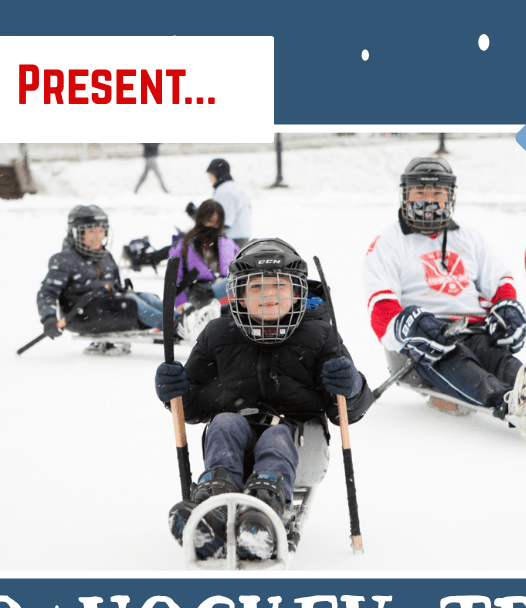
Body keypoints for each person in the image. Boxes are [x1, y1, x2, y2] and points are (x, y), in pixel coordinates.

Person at [154, 238, 372, 560]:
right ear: (238, 294)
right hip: (234, 441)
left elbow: (344, 412)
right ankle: (214, 502)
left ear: (298, 292)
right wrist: (178, 392)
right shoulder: (218, 334)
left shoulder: (321, 334)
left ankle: (265, 509)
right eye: (256, 288)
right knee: (225, 422)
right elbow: (196, 407)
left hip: (299, 443)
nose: (269, 296)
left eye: (280, 287)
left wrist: (351, 387)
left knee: (276, 436)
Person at [362, 157, 526, 424]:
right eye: (420, 191)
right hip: (430, 341)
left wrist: (507, 309)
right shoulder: (387, 243)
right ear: (405, 195)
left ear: (450, 196)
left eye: (437, 192)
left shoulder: (469, 237)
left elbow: (499, 281)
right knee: (459, 362)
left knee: (499, 358)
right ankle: (509, 401)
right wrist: (412, 327)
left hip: (475, 328)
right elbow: (381, 306)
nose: (429, 200)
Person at [37, 205, 164, 353]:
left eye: (101, 230)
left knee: (149, 298)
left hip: (108, 307)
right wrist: (49, 318)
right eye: (91, 231)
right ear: (76, 233)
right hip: (82, 314)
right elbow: (47, 292)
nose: (98, 236)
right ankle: (172, 325)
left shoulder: (105, 257)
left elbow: (116, 286)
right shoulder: (65, 260)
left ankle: (179, 319)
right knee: (132, 303)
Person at [167, 200, 239, 335]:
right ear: (200, 219)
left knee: (241, 282)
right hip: (197, 292)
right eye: (209, 221)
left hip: (224, 291)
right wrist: (180, 303)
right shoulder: (185, 244)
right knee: (234, 283)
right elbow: (175, 277)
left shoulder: (227, 242)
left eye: (217, 222)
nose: (213, 226)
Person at [206, 158, 252, 246]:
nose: (210, 179)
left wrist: (202, 228)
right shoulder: (233, 187)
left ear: (218, 174)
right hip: (240, 236)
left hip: (233, 239)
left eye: (211, 175)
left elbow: (225, 220)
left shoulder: (226, 191)